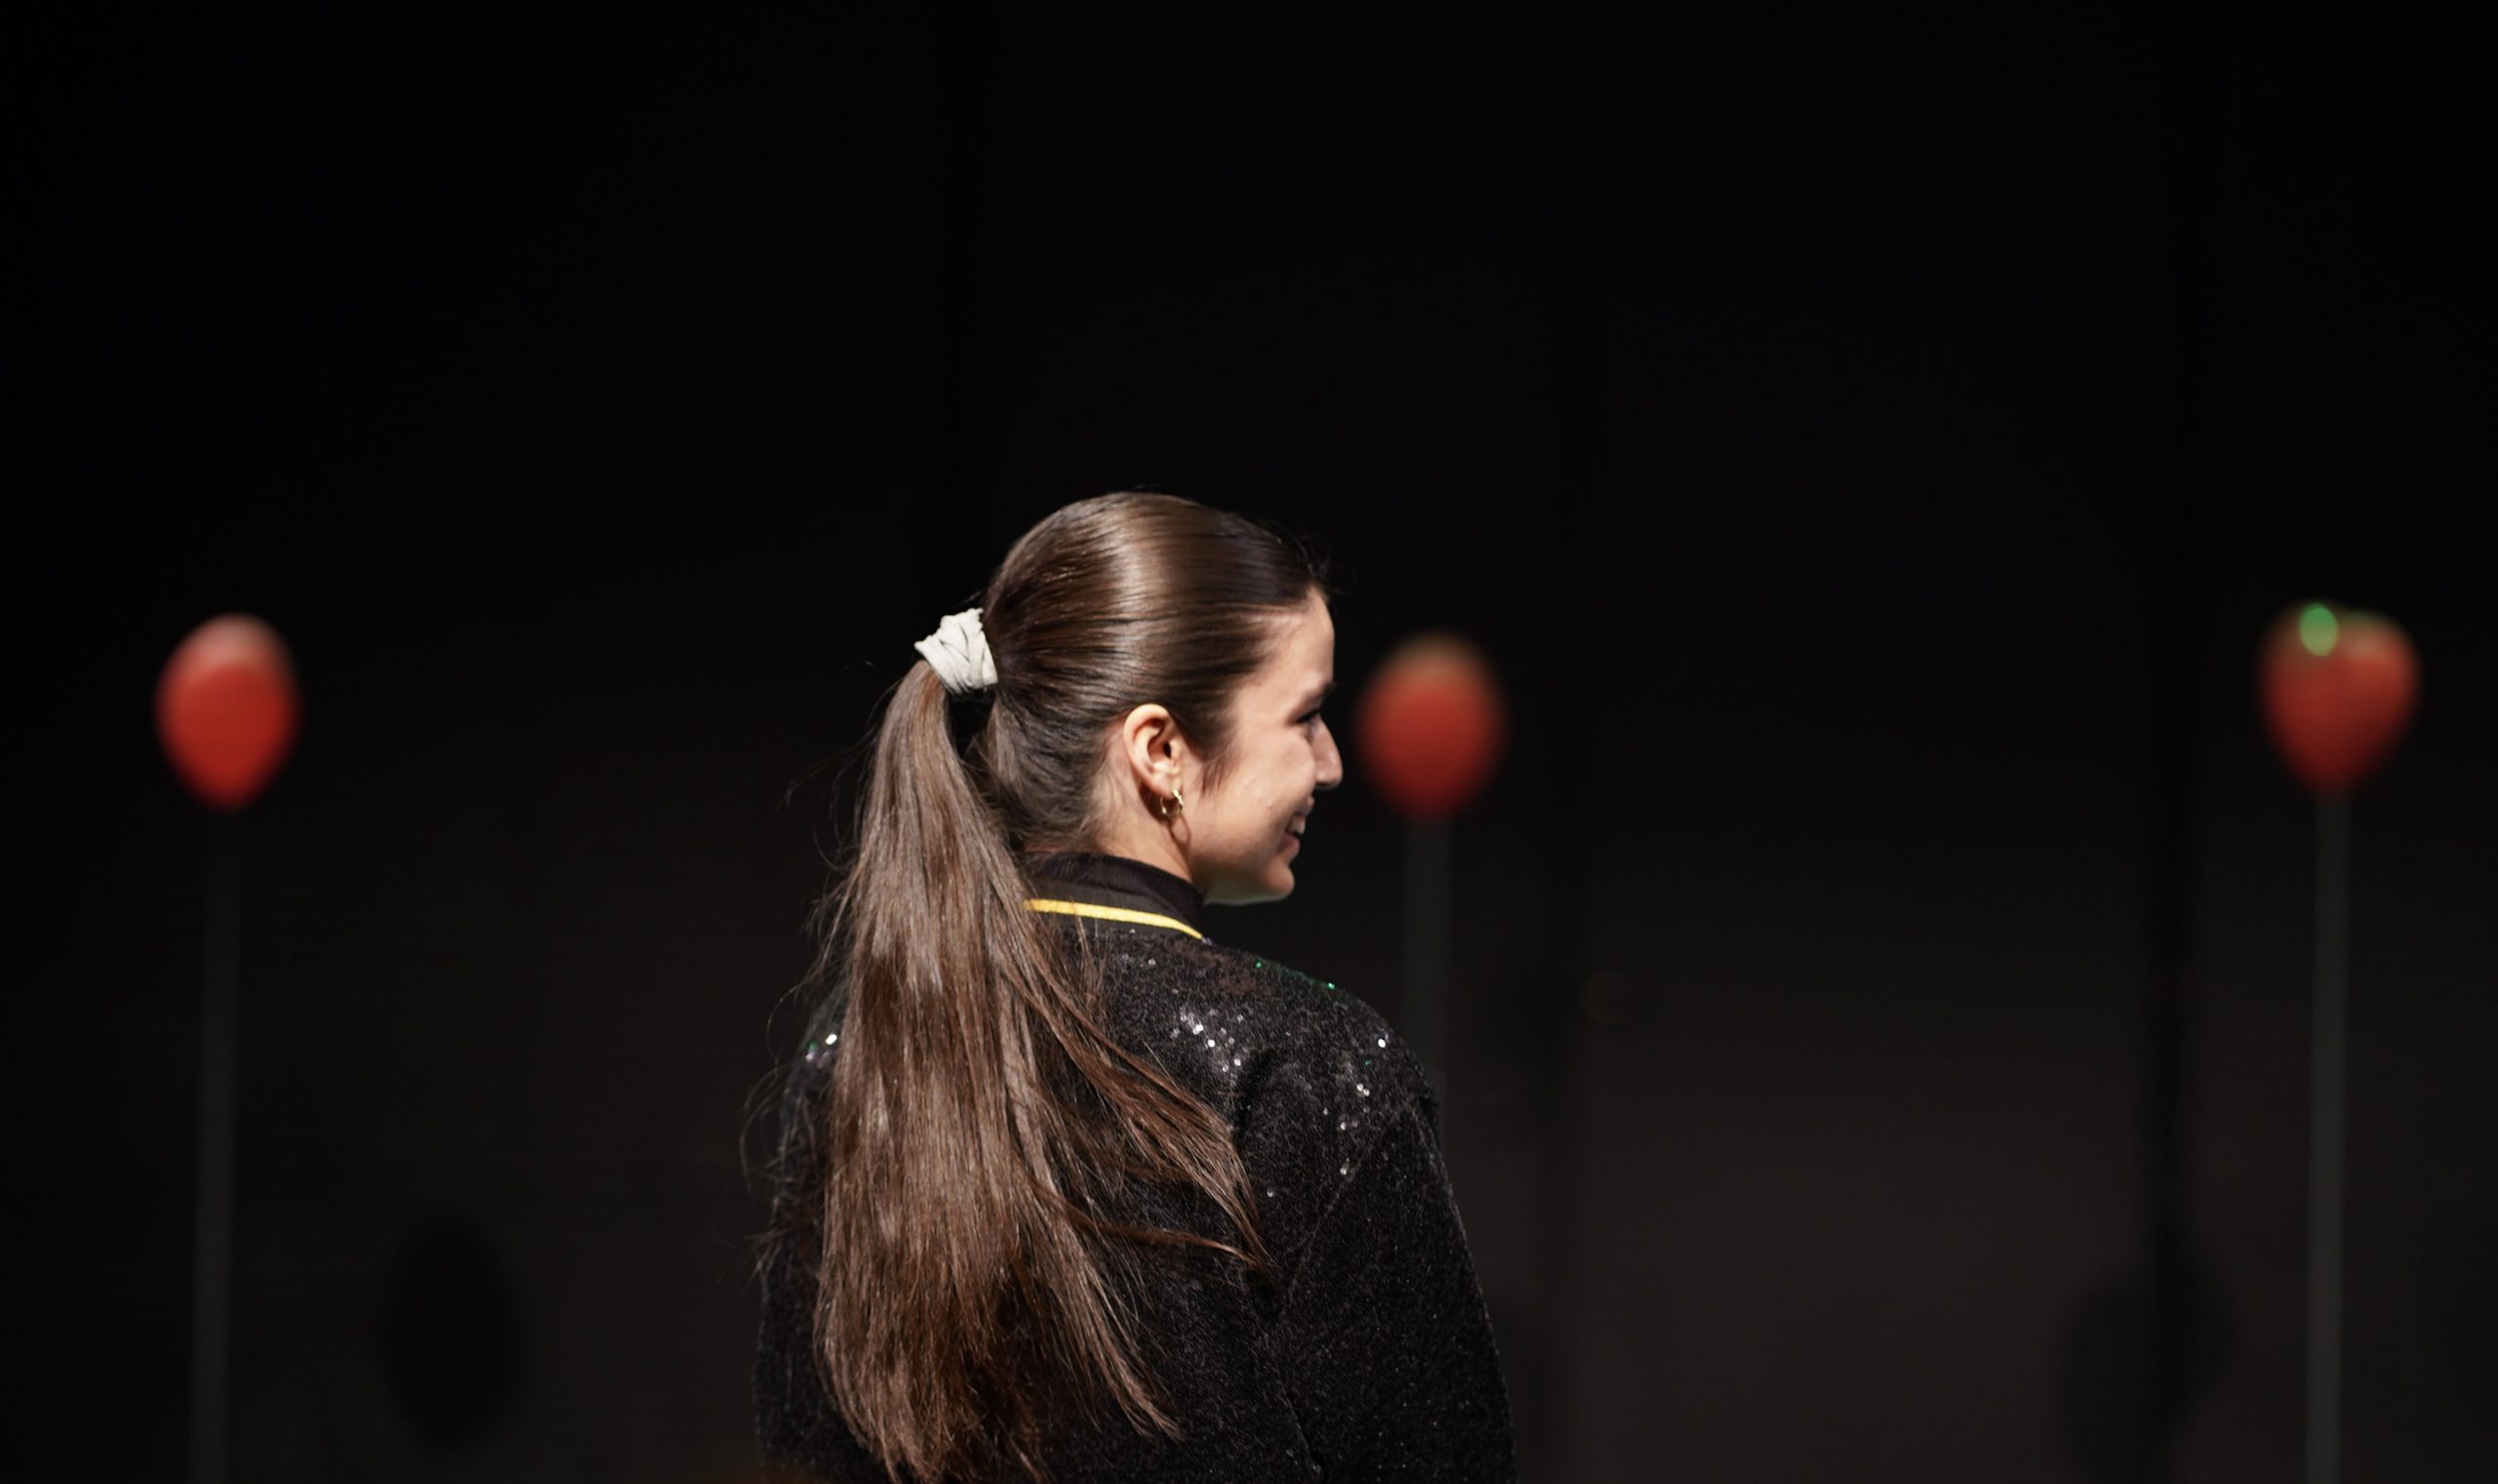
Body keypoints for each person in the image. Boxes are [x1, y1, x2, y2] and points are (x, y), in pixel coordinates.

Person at [755, 492, 1514, 1482]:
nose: (1330, 764)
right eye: (1305, 715)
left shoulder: (863, 1042)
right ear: (1161, 750)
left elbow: (811, 1447)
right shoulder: (1308, 1069)